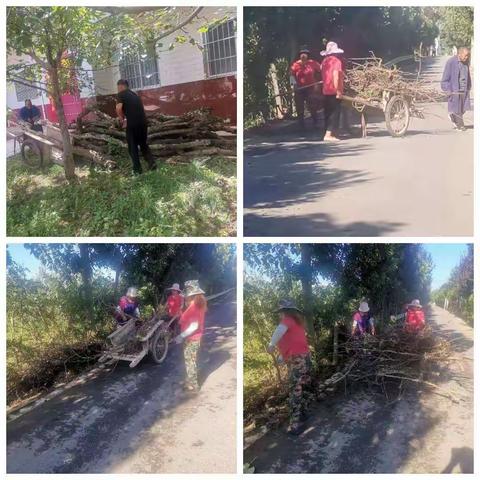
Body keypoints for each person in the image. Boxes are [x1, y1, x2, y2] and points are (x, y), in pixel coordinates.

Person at [267, 299, 311, 435]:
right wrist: (282, 356)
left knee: (295, 390)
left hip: (298, 359)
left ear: (285, 311)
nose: (280, 314)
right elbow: (294, 342)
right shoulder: (298, 323)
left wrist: (271, 345)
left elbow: (279, 332)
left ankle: (294, 425)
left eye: (281, 311)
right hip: (304, 358)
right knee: (301, 386)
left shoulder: (287, 320)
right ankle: (302, 414)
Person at [116, 79, 156, 174]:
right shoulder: (134, 95)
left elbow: (118, 108)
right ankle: (152, 163)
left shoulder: (121, 94)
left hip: (132, 124)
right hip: (143, 123)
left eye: (117, 87)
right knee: (143, 144)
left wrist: (121, 119)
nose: (117, 89)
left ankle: (137, 170)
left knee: (132, 146)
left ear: (121, 86)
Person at [175, 280, 207, 393]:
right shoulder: (199, 303)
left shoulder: (194, 307)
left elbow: (194, 326)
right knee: (191, 360)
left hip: (192, 338)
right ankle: (190, 380)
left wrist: (181, 336)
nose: (185, 299)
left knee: (190, 361)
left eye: (186, 297)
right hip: (194, 337)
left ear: (191, 296)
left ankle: (193, 385)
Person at [290, 47, 322, 129]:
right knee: (299, 107)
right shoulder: (296, 65)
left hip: (310, 88)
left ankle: (315, 122)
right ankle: (301, 125)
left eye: (305, 54)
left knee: (312, 106)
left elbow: (321, 70)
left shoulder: (313, 63)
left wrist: (317, 83)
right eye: (302, 54)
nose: (303, 55)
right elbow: (291, 76)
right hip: (299, 89)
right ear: (300, 55)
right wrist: (294, 85)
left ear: (308, 55)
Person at [441, 47, 471, 131]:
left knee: (463, 109)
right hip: (455, 90)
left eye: (468, 56)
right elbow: (444, 80)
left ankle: (452, 116)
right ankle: (460, 125)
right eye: (465, 55)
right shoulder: (451, 62)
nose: (467, 57)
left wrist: (469, 86)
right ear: (459, 54)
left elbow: (468, 75)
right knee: (457, 109)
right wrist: (449, 90)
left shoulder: (466, 62)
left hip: (464, 89)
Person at [320, 41, 345, 142]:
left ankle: (329, 133)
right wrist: (338, 91)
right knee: (334, 113)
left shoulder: (324, 61)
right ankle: (328, 135)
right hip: (333, 91)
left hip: (325, 90)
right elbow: (336, 76)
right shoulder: (337, 62)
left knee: (327, 113)